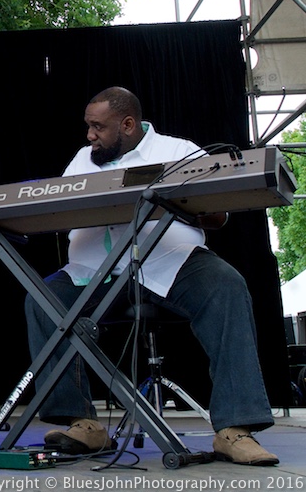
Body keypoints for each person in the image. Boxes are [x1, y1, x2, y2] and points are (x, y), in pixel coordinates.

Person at [25, 86, 278, 466]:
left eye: (98, 127)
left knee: (226, 285)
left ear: (127, 124)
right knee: (42, 299)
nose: (89, 135)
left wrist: (187, 203)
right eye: (88, 126)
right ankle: (83, 425)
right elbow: (60, 209)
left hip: (169, 261)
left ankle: (234, 429)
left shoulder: (177, 151)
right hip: (93, 272)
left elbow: (218, 216)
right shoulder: (82, 159)